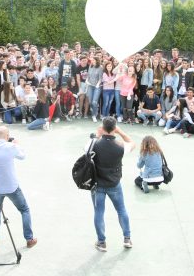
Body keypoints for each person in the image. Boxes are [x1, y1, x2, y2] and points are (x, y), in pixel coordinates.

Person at [0, 126, 37, 248]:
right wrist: (17, 145)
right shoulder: (11, 147)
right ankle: (29, 239)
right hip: (11, 186)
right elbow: (23, 156)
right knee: (24, 210)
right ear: (7, 136)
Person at [91, 117, 135, 251]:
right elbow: (132, 143)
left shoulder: (95, 144)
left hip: (98, 183)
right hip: (114, 183)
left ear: (103, 128)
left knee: (99, 212)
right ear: (114, 128)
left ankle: (101, 242)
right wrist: (120, 132)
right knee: (121, 210)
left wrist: (97, 135)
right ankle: (127, 238)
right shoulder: (120, 146)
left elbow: (86, 148)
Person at [86, 56, 103, 122]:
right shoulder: (90, 66)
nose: (92, 61)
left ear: (96, 61)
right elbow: (88, 76)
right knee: (90, 101)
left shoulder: (100, 67)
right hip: (90, 86)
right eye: (91, 60)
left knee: (94, 102)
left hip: (97, 87)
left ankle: (94, 115)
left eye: (93, 60)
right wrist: (87, 81)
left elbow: (100, 78)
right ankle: (95, 110)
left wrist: (98, 84)